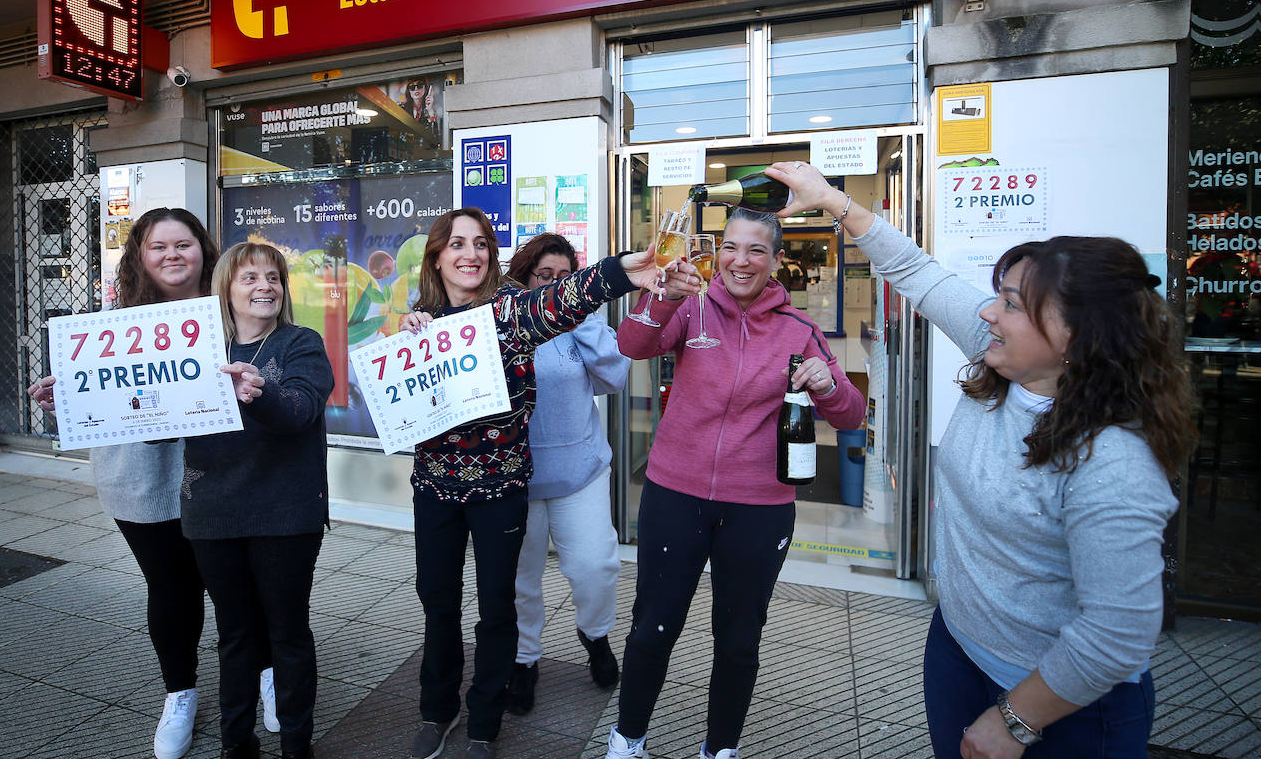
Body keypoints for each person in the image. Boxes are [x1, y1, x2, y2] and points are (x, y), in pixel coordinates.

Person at [765, 159, 1189, 759]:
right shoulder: (1001, 357)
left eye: (1012, 304)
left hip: (1064, 707)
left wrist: (1016, 720)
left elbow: (1118, 635)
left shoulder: (1112, 459)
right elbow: (915, 270)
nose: (989, 312)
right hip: (957, 647)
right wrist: (833, 201)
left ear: (1077, 337)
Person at [400, 207, 693, 759]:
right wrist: (407, 334)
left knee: (498, 606)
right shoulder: (419, 321)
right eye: (457, 244)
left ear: (491, 256)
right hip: (435, 488)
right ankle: (436, 711)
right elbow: (398, 402)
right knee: (437, 605)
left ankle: (484, 721)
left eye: (481, 243)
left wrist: (629, 270)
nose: (470, 253)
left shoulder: (510, 312)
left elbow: (566, 297)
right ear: (436, 256)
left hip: (503, 487)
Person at [606, 207, 866, 759]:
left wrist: (827, 385)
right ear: (717, 251)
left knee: (739, 636)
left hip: (759, 506)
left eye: (755, 251)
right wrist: (665, 296)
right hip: (675, 492)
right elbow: (632, 343)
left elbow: (850, 415)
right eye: (730, 247)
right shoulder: (691, 305)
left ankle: (719, 748)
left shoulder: (801, 331)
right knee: (653, 625)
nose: (739, 261)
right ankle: (627, 740)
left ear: (775, 262)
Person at [27, 209, 277, 759]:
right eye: (158, 246)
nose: (171, 256)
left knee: (239, 584)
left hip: (222, 474)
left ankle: (264, 671)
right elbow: (98, 392)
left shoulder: (233, 312)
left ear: (203, 251)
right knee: (171, 588)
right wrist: (63, 399)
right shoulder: (112, 322)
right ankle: (180, 693)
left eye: (183, 245)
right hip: (140, 479)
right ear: (139, 255)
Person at [180, 242, 335, 759]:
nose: (265, 286)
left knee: (287, 632)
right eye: (249, 278)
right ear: (225, 288)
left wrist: (260, 390)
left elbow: (299, 411)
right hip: (212, 512)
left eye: (273, 277)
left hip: (285, 514)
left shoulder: (301, 344)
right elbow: (153, 423)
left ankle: (296, 745)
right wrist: (75, 401)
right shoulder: (194, 351)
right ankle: (236, 743)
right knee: (235, 635)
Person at [504, 233, 629, 715]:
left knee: (596, 566)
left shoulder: (584, 320)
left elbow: (615, 378)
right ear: (524, 277)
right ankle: (524, 659)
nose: (554, 285)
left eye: (565, 278)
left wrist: (579, 317)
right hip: (517, 475)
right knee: (520, 578)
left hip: (580, 471)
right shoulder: (506, 320)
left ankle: (595, 635)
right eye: (544, 277)